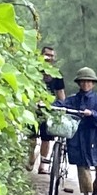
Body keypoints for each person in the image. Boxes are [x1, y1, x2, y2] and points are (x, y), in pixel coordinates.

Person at [62, 68, 97, 195]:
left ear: (93, 84)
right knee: (82, 165)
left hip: (96, 137)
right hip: (79, 137)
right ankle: (86, 194)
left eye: (88, 82)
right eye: (83, 81)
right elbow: (61, 105)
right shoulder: (72, 99)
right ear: (79, 83)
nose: (85, 84)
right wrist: (47, 105)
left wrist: (92, 114)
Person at [33, 45, 67, 175]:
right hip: (33, 108)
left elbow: (60, 93)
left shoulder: (57, 75)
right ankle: (32, 157)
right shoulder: (34, 70)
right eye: (47, 55)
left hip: (48, 109)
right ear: (41, 55)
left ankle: (43, 164)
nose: (49, 58)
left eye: (52, 56)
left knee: (46, 139)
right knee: (31, 138)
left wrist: (62, 108)